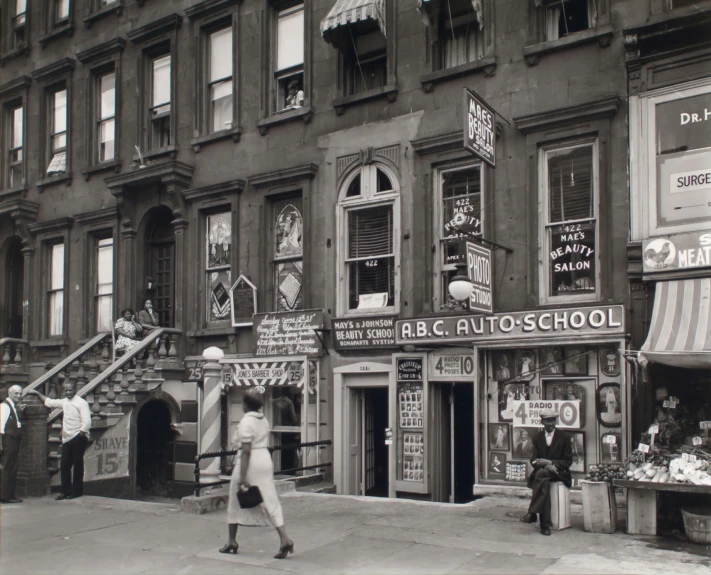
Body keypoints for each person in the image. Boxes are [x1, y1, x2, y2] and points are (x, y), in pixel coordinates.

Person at [220, 389, 294, 559]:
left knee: (235, 497)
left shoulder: (246, 422)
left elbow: (246, 451)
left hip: (250, 461)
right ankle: (284, 537)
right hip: (264, 459)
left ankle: (232, 540)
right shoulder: (264, 420)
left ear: (246, 404)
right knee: (269, 498)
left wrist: (242, 477)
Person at [28, 381, 91, 500]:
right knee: (64, 465)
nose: (68, 392)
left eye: (70, 390)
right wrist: (36, 393)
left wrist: (80, 435)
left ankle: (76, 491)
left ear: (75, 389)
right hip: (67, 439)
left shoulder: (82, 403)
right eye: (66, 390)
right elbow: (49, 402)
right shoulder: (64, 402)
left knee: (77, 465)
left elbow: (86, 422)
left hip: (78, 437)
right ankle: (65, 491)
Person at [520, 409, 573, 536]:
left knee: (540, 476)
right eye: (548, 421)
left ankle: (532, 513)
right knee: (543, 483)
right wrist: (543, 466)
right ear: (542, 421)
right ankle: (545, 525)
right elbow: (533, 459)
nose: (551, 423)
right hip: (543, 473)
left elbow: (568, 461)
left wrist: (550, 464)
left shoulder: (564, 437)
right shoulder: (538, 437)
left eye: (553, 420)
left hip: (559, 472)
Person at [1, 385, 24, 503]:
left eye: (20, 394)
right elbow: (1, 426)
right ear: (10, 393)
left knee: (12, 467)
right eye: (16, 393)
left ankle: (9, 494)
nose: (19, 396)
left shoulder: (13, 406)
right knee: (8, 467)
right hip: (8, 440)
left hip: (13, 440)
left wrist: (19, 411)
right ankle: (5, 496)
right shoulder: (5, 406)